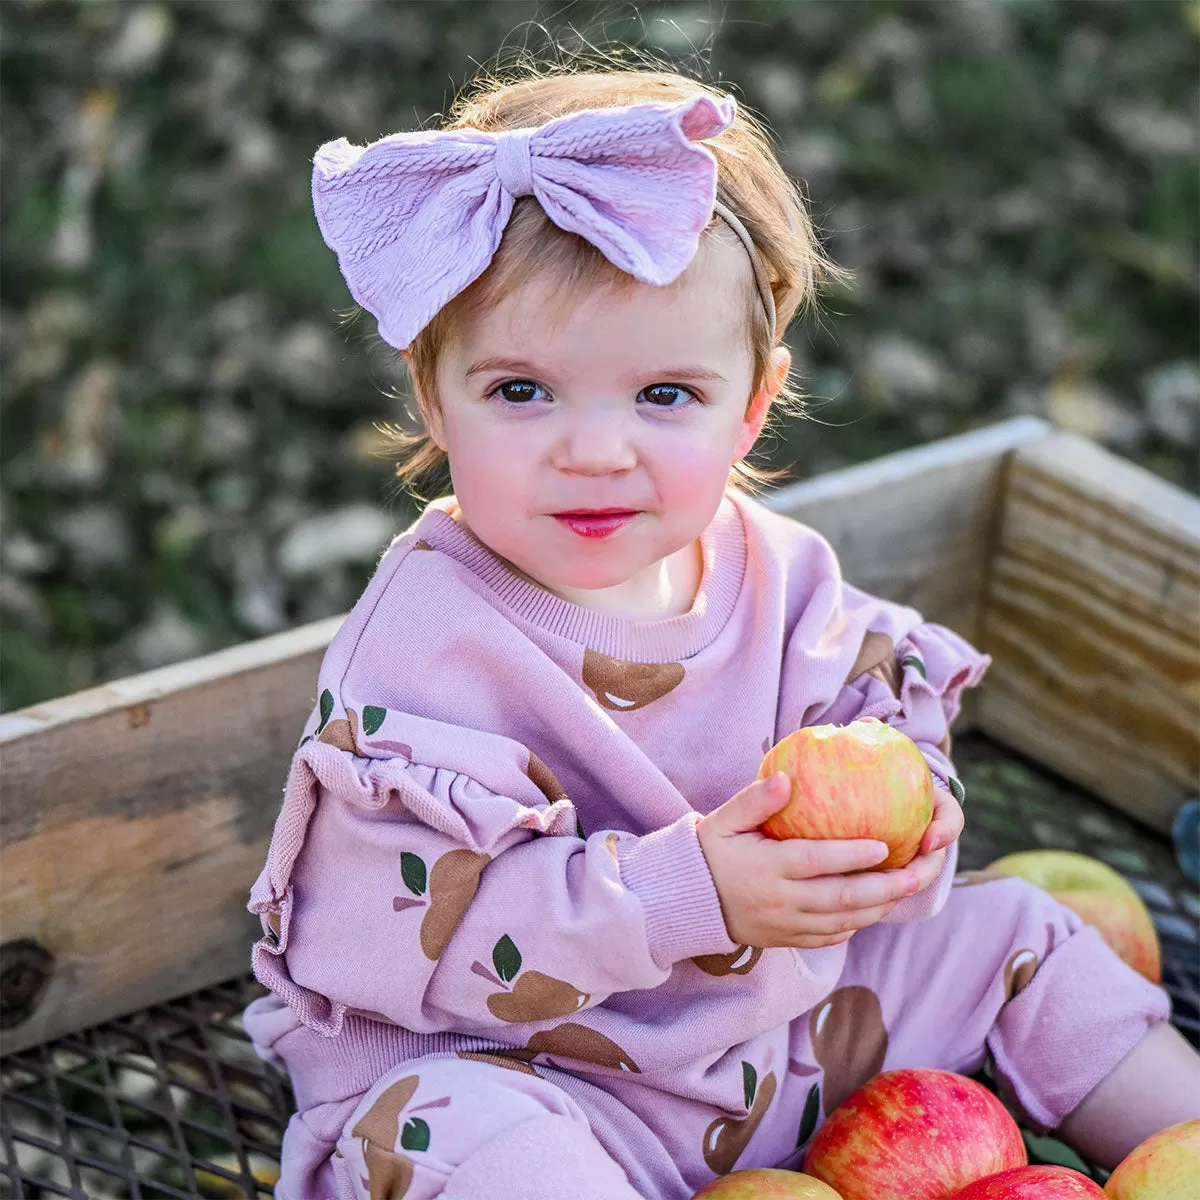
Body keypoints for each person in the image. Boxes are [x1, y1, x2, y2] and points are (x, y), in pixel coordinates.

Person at [242, 64, 1200, 1200]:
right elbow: (407, 940)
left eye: (662, 397)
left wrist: (908, 823)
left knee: (1018, 937)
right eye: (520, 392)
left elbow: (877, 715)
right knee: (448, 1135)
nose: (594, 450)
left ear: (752, 401)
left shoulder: (778, 573)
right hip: (533, 1075)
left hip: (777, 1040)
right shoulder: (424, 645)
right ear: (433, 395)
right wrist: (685, 893)